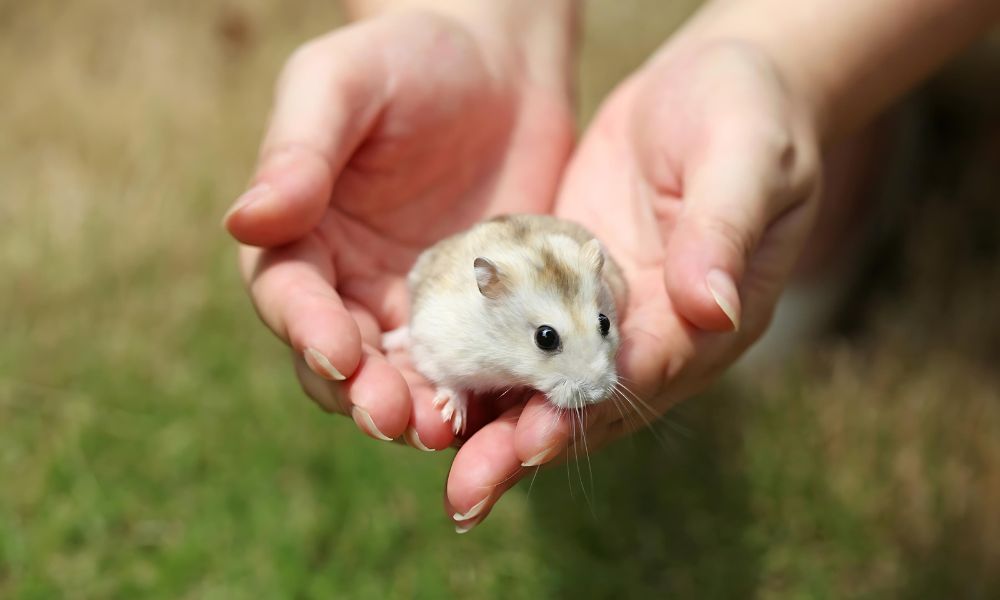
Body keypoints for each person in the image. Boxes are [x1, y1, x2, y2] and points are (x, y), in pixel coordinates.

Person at [223, 0, 1000, 532]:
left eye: (600, 329)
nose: (599, 373)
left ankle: (855, 96)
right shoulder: (459, 304)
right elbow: (433, 336)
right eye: (554, 344)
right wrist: (468, 18)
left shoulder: (585, 280)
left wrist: (788, 65)